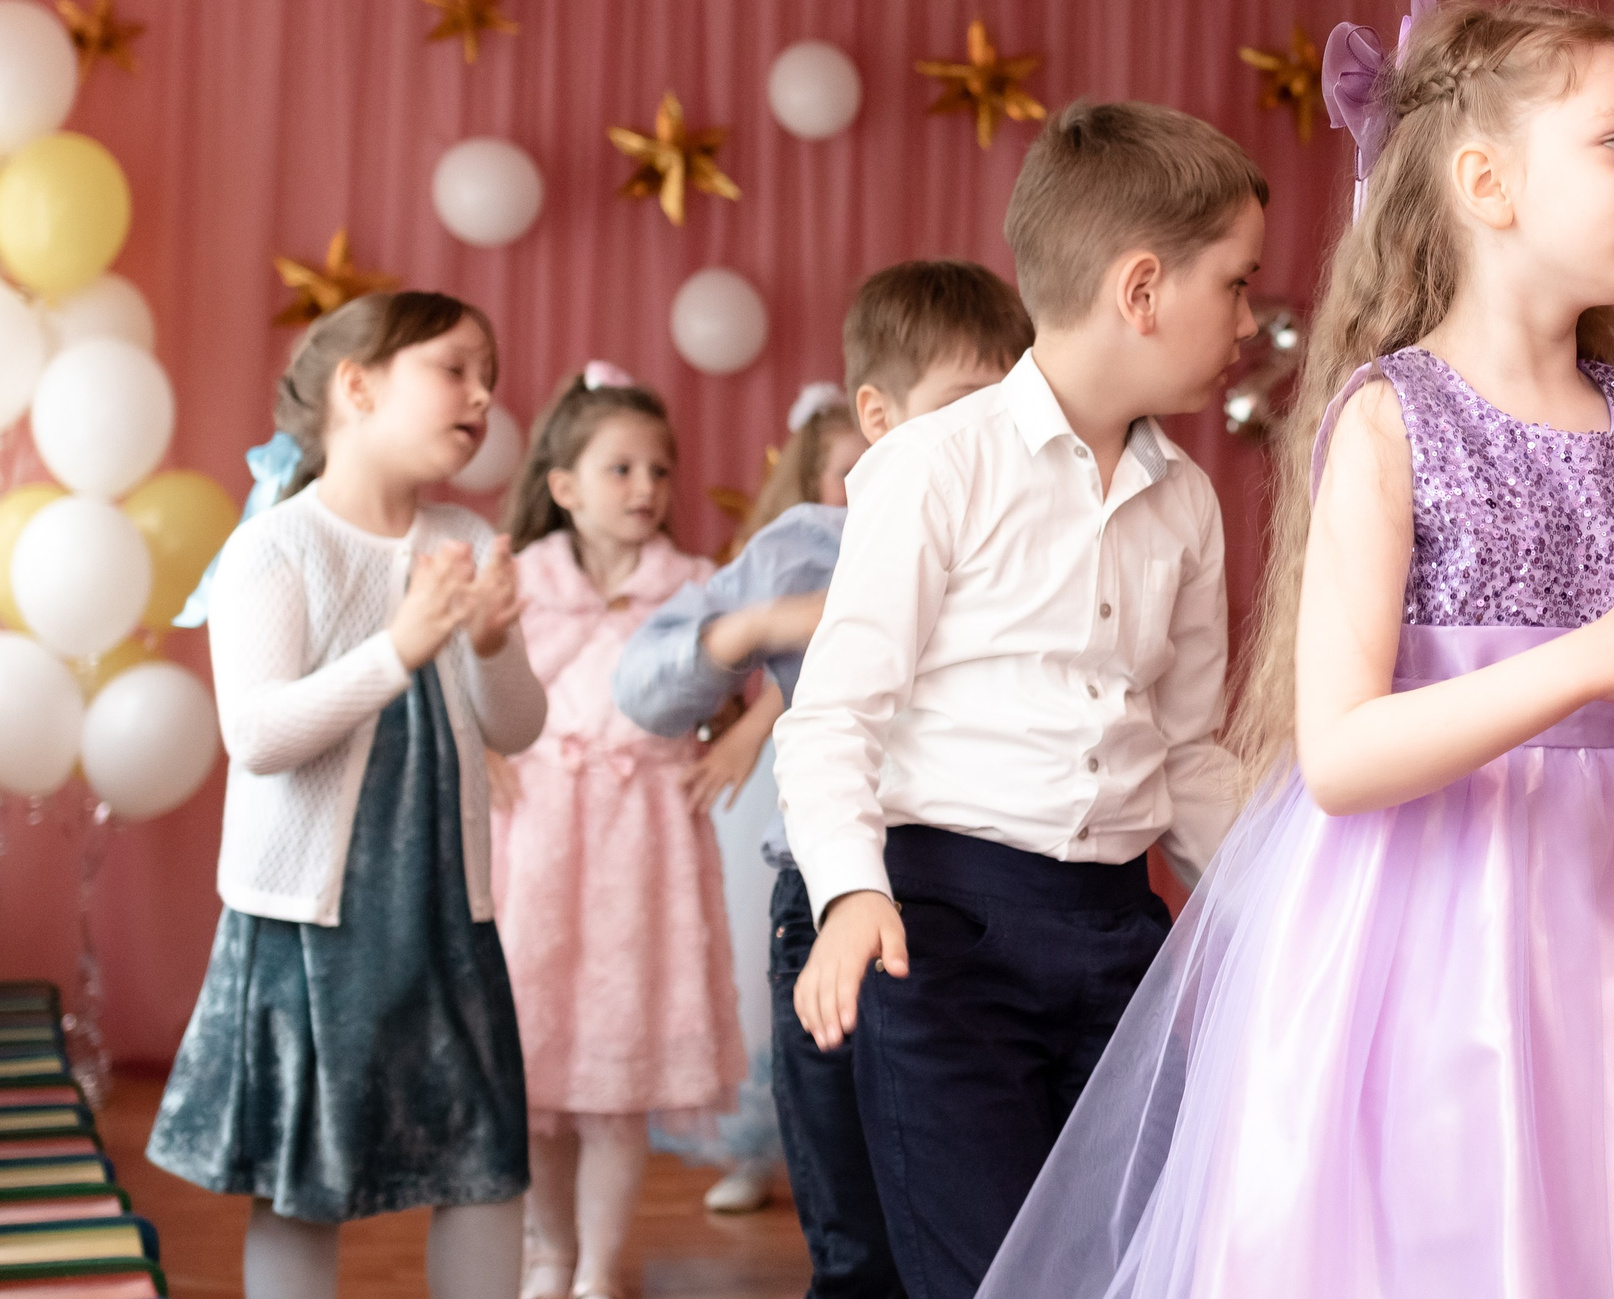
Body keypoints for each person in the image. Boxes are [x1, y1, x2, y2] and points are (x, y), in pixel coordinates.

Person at [978, 0, 1614, 1298]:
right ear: (1488, 185)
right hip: (1425, 952)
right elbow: (1343, 749)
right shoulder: (1391, 422)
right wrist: (1594, 655)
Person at [776, 104, 1265, 1299]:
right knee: (990, 1277)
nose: (1252, 323)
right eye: (1238, 286)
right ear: (1141, 289)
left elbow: (1185, 751)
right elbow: (834, 716)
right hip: (944, 938)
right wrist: (849, 891)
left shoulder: (1187, 500)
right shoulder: (933, 467)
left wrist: (1295, 886)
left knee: (1129, 1264)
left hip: (1117, 937)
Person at [615, 260, 1036, 1299]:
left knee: (983, 1220)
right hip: (832, 901)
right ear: (879, 415)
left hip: (984, 904)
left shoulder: (1038, 536)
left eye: (1005, 406)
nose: (984, 436)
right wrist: (754, 629)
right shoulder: (809, 544)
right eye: (957, 408)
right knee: (853, 1226)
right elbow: (646, 689)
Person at [148, 291, 546, 1299]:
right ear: (357, 387)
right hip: (307, 930)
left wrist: (490, 647)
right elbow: (258, 735)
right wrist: (401, 645)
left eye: (487, 372)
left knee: (487, 1163)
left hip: (446, 914)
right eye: (455, 368)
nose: (483, 393)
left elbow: (516, 727)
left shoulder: (463, 534)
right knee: (301, 1181)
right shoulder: (274, 549)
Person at [482, 363, 745, 1299]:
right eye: (620, 469)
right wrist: (482, 751)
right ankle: (546, 1247)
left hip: (645, 844)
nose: (646, 489)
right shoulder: (519, 580)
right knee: (539, 1077)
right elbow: (462, 685)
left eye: (659, 471)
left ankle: (596, 1263)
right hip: (543, 843)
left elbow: (777, 668)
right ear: (564, 486)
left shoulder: (694, 585)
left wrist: (739, 741)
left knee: (614, 1077)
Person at [678, 382, 865, 1218]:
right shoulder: (793, 555)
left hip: (844, 764)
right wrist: (750, 727)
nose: (860, 487)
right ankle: (755, 1146)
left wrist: (755, 725)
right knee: (768, 968)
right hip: (791, 780)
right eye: (843, 474)